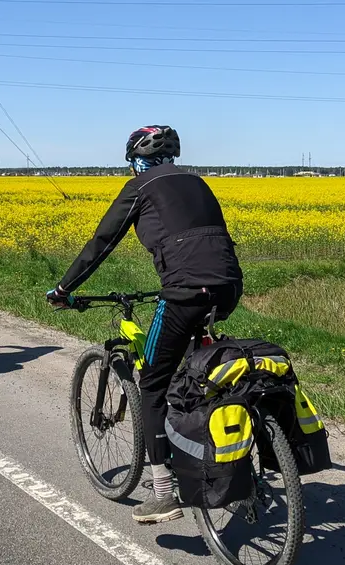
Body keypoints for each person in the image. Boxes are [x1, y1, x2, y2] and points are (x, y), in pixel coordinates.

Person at [47, 125, 243, 524]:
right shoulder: (197, 182)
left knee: (152, 381)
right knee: (195, 371)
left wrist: (63, 288)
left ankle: (163, 492)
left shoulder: (141, 186)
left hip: (185, 292)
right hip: (227, 287)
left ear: (136, 159)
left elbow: (102, 241)